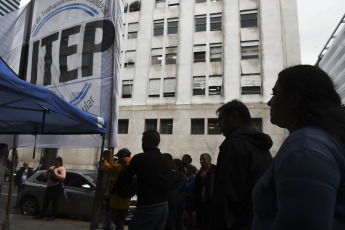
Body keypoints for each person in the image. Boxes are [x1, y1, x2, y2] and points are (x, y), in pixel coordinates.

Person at [252, 65, 345, 230]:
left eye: (275, 94)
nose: (269, 102)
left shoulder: (305, 149)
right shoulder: (317, 142)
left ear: (294, 99)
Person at [209, 100, 273, 230]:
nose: (219, 125)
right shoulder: (262, 147)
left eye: (221, 119)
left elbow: (226, 195)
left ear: (235, 116)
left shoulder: (233, 145)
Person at [116, 130, 171, 230]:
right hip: (164, 207)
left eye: (142, 140)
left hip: (148, 208)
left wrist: (111, 193)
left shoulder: (139, 158)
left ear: (147, 141)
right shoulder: (165, 160)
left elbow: (124, 179)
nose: (142, 144)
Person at [103, 148, 132, 230]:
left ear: (121, 157)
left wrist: (105, 161)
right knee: (120, 225)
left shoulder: (117, 166)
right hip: (126, 201)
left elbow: (106, 169)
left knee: (110, 224)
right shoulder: (133, 165)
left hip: (115, 200)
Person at [192, 153, 216, 230]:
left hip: (211, 203)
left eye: (203, 159)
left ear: (209, 160)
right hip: (200, 203)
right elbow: (195, 189)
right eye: (200, 159)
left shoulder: (215, 172)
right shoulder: (198, 174)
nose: (201, 161)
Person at [183, 164, 197, 230]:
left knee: (190, 220)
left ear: (190, 171)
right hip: (187, 203)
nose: (185, 172)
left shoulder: (194, 179)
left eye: (186, 170)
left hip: (191, 203)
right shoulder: (189, 178)